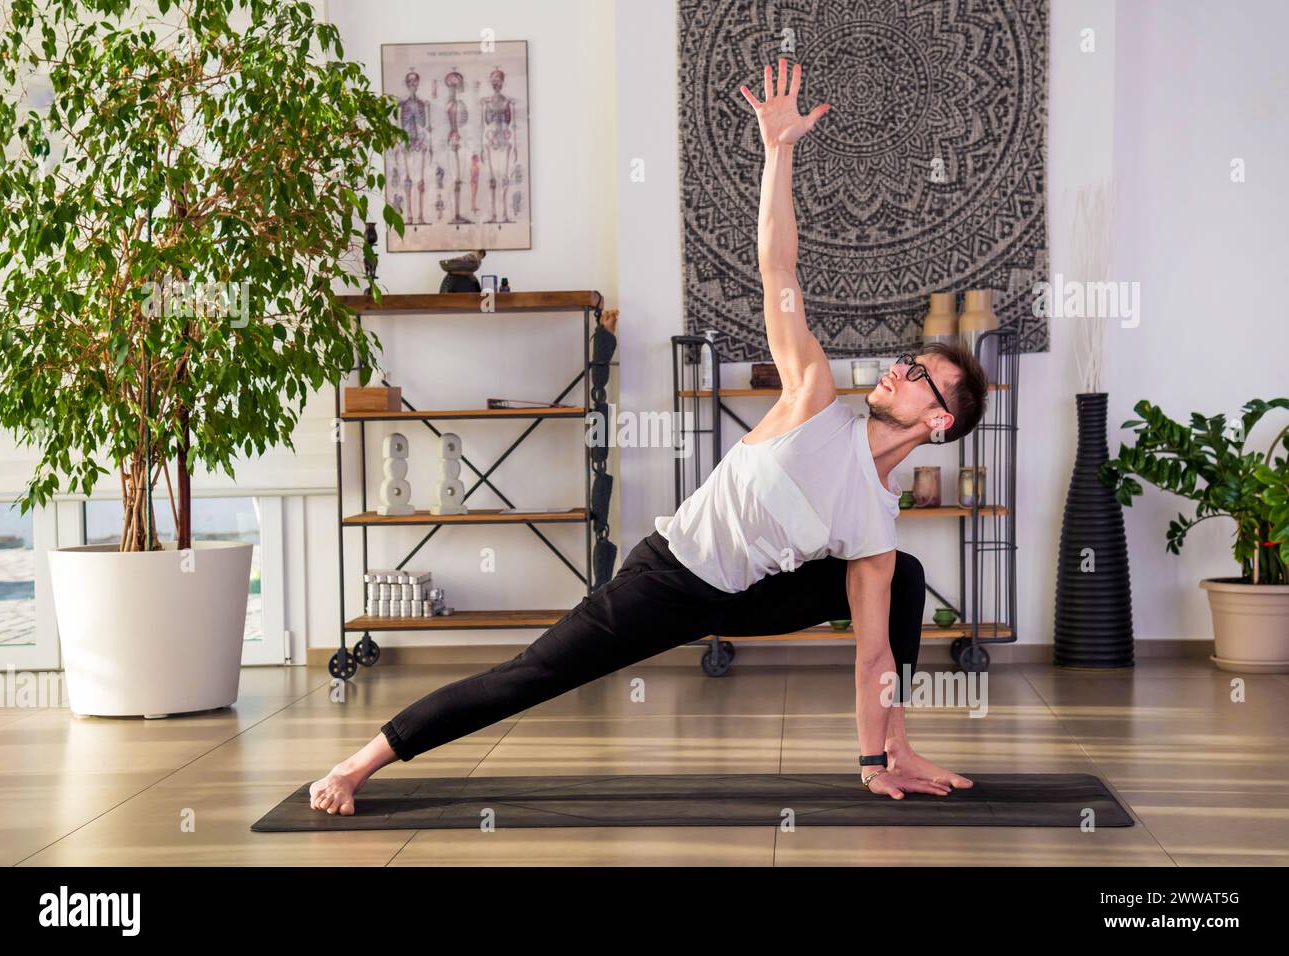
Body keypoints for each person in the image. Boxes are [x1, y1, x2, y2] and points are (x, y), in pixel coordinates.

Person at [309, 56, 988, 814]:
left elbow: (872, 659)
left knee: (904, 580)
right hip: (671, 579)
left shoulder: (875, 524)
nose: (897, 370)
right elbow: (778, 267)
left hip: (746, 595)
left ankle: (896, 751)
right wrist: (778, 152)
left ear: (939, 422)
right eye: (904, 361)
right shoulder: (813, 397)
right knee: (533, 674)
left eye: (919, 375)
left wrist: (873, 758)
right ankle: (361, 761)